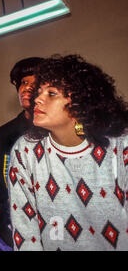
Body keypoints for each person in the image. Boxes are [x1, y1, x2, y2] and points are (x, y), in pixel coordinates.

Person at [8, 54, 128, 251]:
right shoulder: (25, 152)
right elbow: (26, 235)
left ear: (80, 102)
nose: (37, 99)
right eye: (39, 91)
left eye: (52, 93)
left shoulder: (121, 146)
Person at [0, 57, 44, 251]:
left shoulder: (61, 133)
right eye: (23, 82)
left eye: (35, 82)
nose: (27, 88)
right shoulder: (3, 137)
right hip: (11, 240)